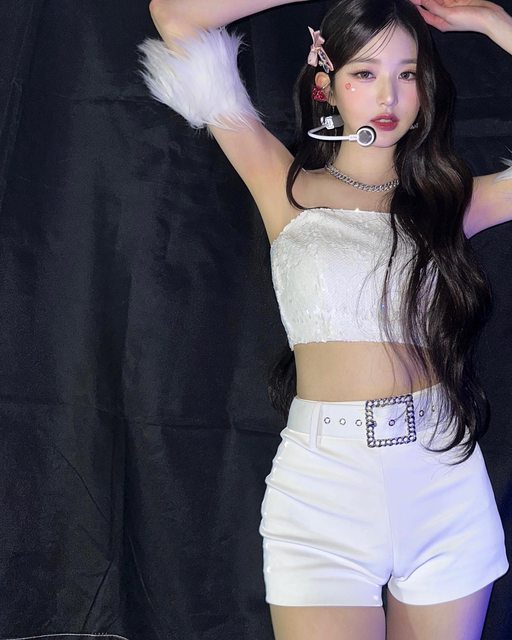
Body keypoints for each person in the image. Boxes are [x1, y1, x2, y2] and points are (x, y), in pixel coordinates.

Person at [138, 0, 512, 638]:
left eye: (407, 73)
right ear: (327, 80)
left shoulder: (453, 203)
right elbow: (176, 17)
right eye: (364, 73)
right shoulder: (282, 185)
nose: (389, 95)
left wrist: (493, 22)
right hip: (322, 490)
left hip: (442, 479)